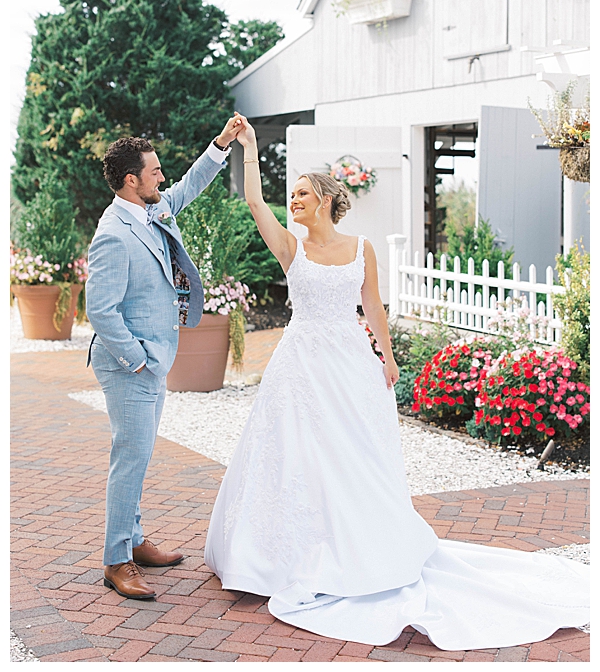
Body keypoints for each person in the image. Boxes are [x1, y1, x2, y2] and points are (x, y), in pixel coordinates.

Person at [204, 115, 589, 651]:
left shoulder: (361, 248)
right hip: (299, 367)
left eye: (301, 194)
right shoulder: (292, 248)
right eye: (290, 195)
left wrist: (385, 357)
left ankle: (361, 544)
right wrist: (247, 147)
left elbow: (374, 306)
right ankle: (278, 555)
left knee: (352, 455)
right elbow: (252, 203)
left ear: (326, 200)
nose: (292, 201)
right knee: (292, 453)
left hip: (349, 364)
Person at [86, 118, 242, 600]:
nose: (162, 178)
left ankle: (134, 541)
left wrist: (219, 145)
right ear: (131, 180)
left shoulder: (153, 211)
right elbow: (100, 310)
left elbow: (189, 186)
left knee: (139, 455)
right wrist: (138, 360)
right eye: (154, 172)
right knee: (129, 460)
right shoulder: (114, 233)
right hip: (130, 366)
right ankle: (116, 560)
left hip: (152, 361)